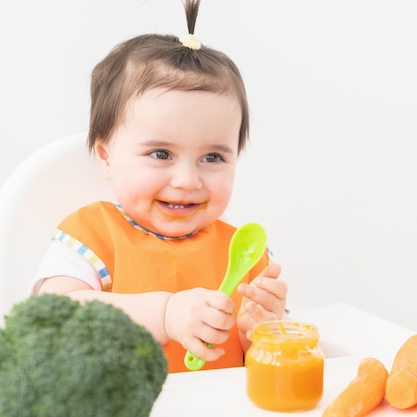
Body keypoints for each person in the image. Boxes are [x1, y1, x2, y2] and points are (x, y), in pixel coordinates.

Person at [32, 0, 288, 373]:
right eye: (160, 153)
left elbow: (261, 370)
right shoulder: (90, 238)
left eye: (213, 158)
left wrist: (263, 332)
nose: (187, 181)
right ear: (106, 157)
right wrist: (165, 314)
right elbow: (51, 322)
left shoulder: (244, 255)